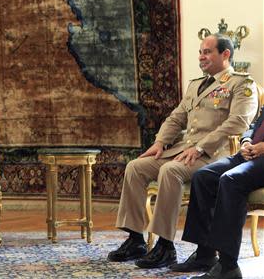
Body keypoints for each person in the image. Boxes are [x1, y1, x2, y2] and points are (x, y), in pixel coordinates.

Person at [108, 34, 259, 269]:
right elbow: (176, 118)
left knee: (171, 171)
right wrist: (160, 143)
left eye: (207, 52)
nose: (201, 56)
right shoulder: (196, 84)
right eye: (200, 52)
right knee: (135, 167)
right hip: (183, 150)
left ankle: (165, 246)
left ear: (225, 54)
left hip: (214, 154)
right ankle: (135, 239)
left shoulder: (241, 84)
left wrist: (200, 147)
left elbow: (238, 123)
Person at [170, 106, 264, 278]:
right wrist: (246, 142)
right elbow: (254, 125)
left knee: (230, 180)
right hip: (249, 154)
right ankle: (205, 255)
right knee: (203, 177)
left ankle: (228, 266)